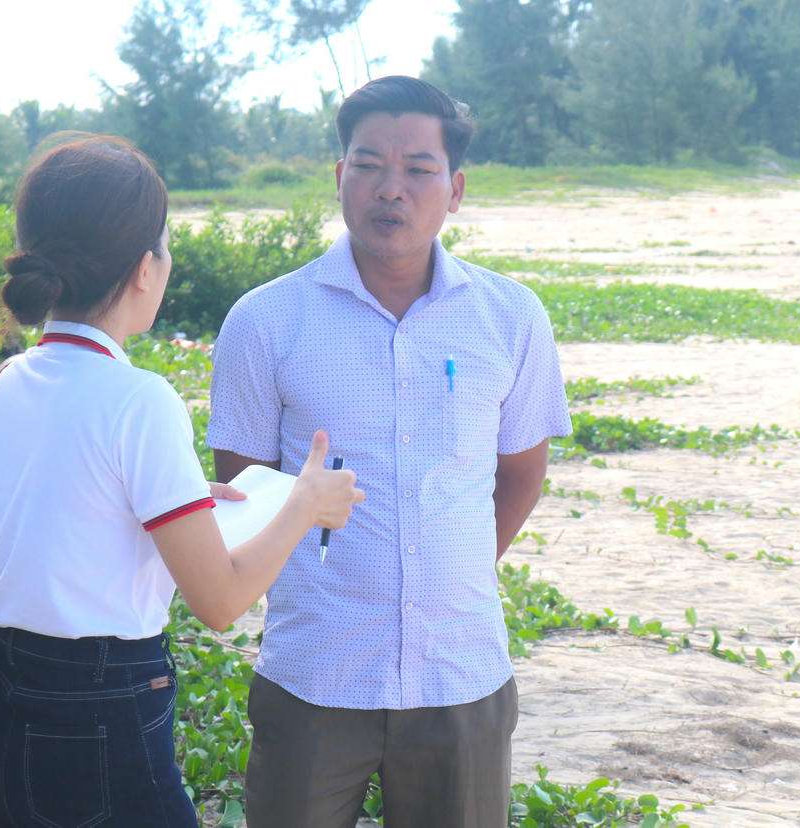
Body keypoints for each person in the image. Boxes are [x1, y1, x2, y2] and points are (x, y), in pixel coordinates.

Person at [208, 76, 573, 827]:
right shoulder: (266, 321)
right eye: (369, 165)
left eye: (418, 169)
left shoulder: (510, 318)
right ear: (340, 178)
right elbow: (242, 493)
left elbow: (521, 476)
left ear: (456, 188)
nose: (391, 189)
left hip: (460, 672)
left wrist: (447, 567)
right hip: (315, 673)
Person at [0, 133, 363, 827]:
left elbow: (46, 519)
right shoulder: (138, 398)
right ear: (144, 269)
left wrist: (165, 504)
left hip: (10, 701)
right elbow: (220, 601)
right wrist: (302, 505)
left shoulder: (4, 382)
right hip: (104, 706)